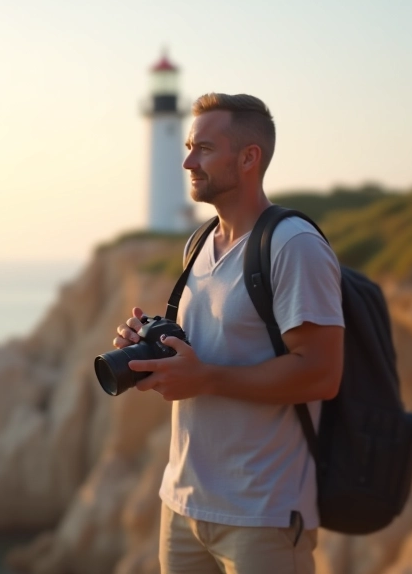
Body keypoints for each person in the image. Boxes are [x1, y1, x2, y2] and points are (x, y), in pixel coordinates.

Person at [112, 93, 345, 574]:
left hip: (262, 514)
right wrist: (152, 353)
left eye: (203, 149)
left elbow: (321, 374)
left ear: (248, 158)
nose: (187, 161)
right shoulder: (198, 243)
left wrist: (207, 379)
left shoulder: (294, 246)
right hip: (182, 505)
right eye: (189, 146)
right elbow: (209, 358)